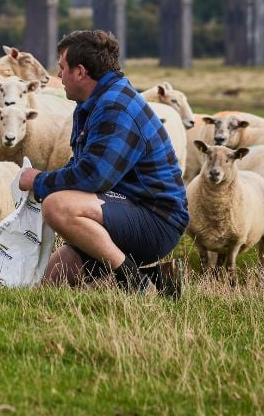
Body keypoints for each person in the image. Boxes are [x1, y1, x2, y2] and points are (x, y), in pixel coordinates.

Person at [18, 29, 189, 297]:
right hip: (122, 207)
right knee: (52, 279)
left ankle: (134, 283)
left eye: (62, 68)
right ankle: (158, 278)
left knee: (56, 206)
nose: (59, 76)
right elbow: (82, 165)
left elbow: (94, 177)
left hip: (155, 219)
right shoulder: (94, 102)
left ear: (80, 72)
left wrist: (39, 181)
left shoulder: (115, 107)